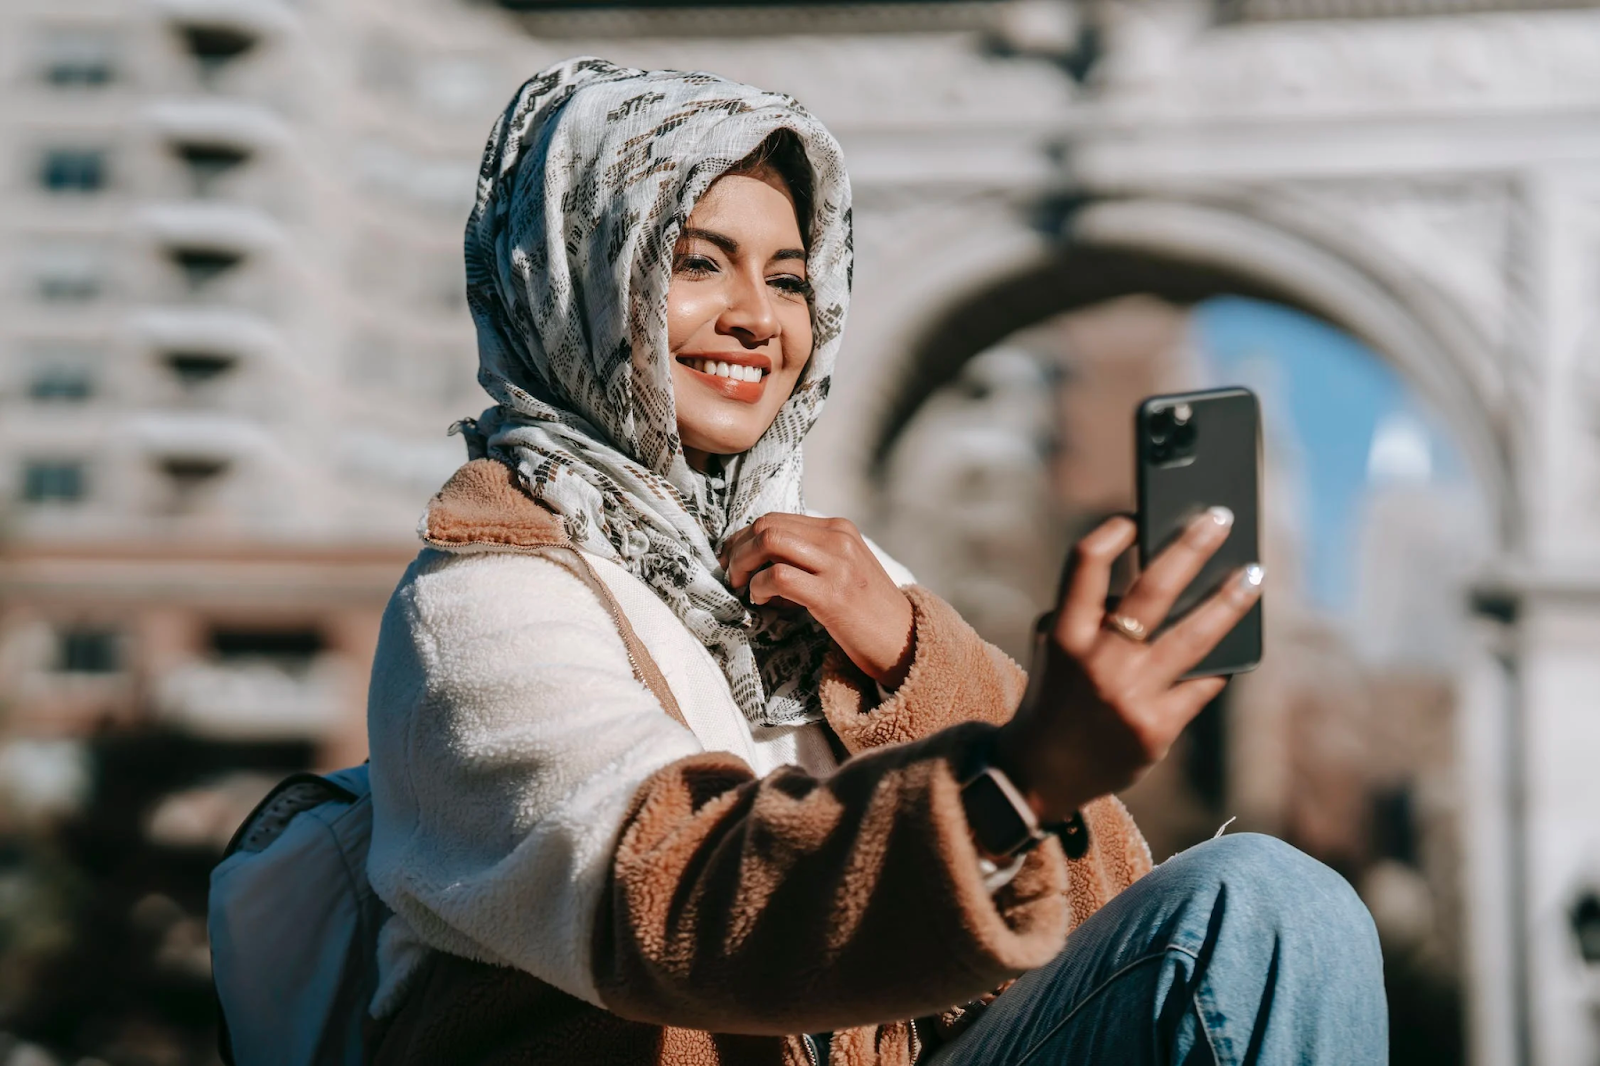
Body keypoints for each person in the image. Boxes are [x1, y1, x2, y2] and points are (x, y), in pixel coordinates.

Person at [362, 57, 1387, 1066]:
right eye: (696, 262)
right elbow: (668, 896)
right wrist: (1021, 777)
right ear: (576, 275)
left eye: (788, 278)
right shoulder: (484, 596)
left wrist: (911, 663)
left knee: (1263, 902)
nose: (757, 320)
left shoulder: (842, 577)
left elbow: (1112, 917)